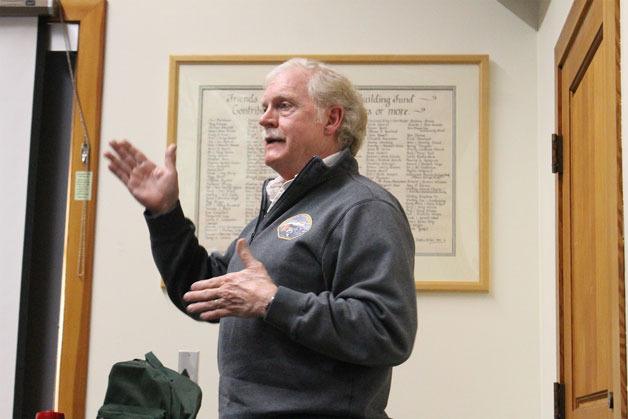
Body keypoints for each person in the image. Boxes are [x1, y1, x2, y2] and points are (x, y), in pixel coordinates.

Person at [105, 58, 417, 419]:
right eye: (264, 107)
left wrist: (273, 301)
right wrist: (165, 214)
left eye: (284, 105)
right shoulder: (281, 207)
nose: (265, 118)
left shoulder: (364, 207)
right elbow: (205, 291)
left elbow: (385, 329)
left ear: (331, 120)